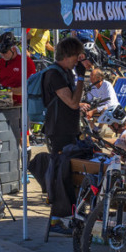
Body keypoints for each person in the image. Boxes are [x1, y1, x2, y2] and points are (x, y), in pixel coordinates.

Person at [41, 37, 86, 230]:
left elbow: (72, 102)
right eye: (76, 56)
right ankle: (59, 217)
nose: (78, 61)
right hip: (59, 130)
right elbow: (72, 103)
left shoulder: (66, 72)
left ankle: (72, 213)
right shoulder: (54, 74)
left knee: (71, 173)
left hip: (69, 129)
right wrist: (81, 78)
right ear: (67, 56)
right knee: (62, 174)